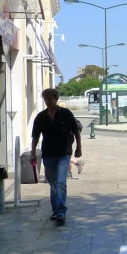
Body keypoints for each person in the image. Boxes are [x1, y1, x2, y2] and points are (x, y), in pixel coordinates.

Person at [31, 88, 82, 225]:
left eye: (50, 99)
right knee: (53, 184)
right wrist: (32, 152)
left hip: (64, 154)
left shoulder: (66, 114)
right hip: (48, 154)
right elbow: (35, 136)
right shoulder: (41, 117)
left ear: (55, 98)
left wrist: (78, 147)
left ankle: (60, 212)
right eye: (45, 99)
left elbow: (76, 131)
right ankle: (56, 210)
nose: (47, 102)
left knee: (60, 182)